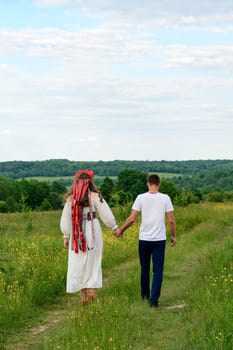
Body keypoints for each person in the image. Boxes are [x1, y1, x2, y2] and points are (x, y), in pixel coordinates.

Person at [115, 174, 176, 307]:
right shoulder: (165, 198)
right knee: (158, 270)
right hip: (159, 239)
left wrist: (121, 230)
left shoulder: (140, 198)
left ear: (148, 184)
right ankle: (154, 302)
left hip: (144, 239)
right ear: (159, 184)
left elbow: (131, 219)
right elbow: (171, 220)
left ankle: (144, 297)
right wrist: (173, 236)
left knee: (145, 269)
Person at [60, 169, 118, 304]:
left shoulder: (71, 199)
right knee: (94, 259)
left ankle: (83, 294)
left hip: (77, 231)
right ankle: (92, 289)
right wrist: (114, 227)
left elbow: (66, 219)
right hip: (93, 228)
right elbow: (105, 213)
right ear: (90, 182)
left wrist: (66, 236)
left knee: (79, 261)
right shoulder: (95, 196)